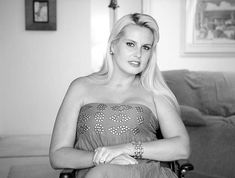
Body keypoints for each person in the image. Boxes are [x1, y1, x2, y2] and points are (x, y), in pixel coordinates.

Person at [49, 13, 190, 178]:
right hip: (94, 173)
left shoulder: (154, 92)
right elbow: (57, 155)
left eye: (146, 47)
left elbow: (182, 147)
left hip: (142, 173)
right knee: (102, 172)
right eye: (131, 44)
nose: (138, 54)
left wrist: (126, 149)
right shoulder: (80, 87)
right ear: (112, 46)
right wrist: (104, 159)